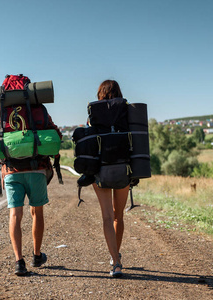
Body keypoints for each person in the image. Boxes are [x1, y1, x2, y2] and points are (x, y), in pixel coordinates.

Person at [1, 113, 62, 276]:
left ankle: (19, 262)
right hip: (37, 168)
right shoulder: (37, 108)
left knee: (15, 214)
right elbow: (56, 134)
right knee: (37, 212)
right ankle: (36, 256)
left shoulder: (2, 111)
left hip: (11, 170)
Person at [92, 79, 129, 277]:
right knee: (118, 215)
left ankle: (115, 261)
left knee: (107, 216)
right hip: (123, 168)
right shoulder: (126, 112)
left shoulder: (93, 114)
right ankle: (116, 255)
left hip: (101, 170)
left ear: (100, 94)